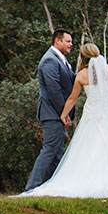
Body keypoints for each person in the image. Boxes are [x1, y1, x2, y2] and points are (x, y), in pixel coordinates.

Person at [20, 43, 108, 198]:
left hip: (92, 115)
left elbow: (72, 98)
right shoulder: (107, 69)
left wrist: (63, 115)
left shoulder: (82, 75)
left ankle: (89, 179)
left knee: (89, 147)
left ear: (83, 57)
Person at [24, 29, 76, 192]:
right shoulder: (50, 61)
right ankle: (31, 188)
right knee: (50, 150)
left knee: (57, 153)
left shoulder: (61, 60)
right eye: (68, 41)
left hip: (57, 113)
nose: (71, 44)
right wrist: (64, 113)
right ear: (57, 41)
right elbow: (54, 90)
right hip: (52, 113)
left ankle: (50, 188)